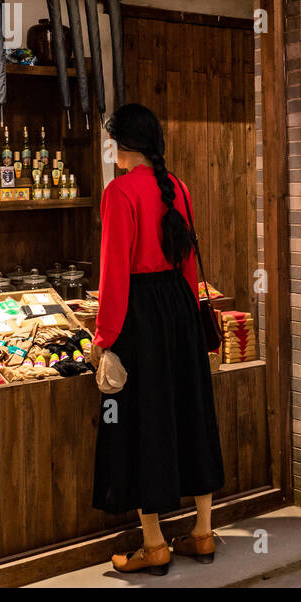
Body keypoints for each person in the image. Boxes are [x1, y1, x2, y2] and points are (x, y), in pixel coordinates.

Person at [92, 103, 225, 574]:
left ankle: (154, 545)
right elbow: (188, 262)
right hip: (180, 310)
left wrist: (104, 337)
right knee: (192, 415)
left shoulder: (119, 192)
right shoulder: (179, 189)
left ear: (125, 146)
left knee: (143, 424)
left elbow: (114, 273)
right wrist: (187, 315)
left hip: (141, 317)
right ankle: (203, 533)